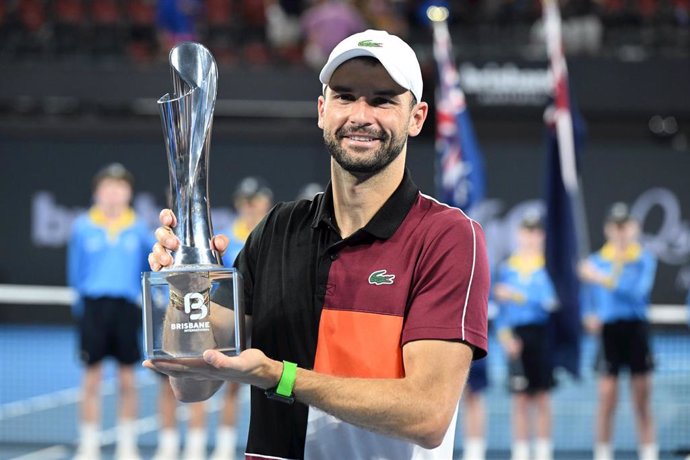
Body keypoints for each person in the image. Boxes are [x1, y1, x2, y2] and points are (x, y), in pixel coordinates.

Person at [147, 29, 490, 460]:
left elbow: (428, 415)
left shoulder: (445, 236)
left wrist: (281, 377)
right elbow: (192, 384)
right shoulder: (277, 230)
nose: (360, 115)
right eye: (345, 97)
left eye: (382, 100)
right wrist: (186, 280)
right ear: (322, 110)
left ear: (417, 118)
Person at [68, 163, 153, 460]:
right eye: (108, 187)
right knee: (91, 379)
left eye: (120, 187)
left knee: (127, 379)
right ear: (97, 193)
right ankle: (89, 443)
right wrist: (80, 305)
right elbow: (76, 271)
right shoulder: (82, 227)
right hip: (93, 307)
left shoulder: (139, 228)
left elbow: (147, 269)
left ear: (128, 193)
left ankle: (127, 443)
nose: (114, 193)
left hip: (126, 308)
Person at [579, 202, 658, 460]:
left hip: (636, 330)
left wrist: (599, 277)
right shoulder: (596, 261)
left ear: (633, 228)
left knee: (642, 400)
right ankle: (603, 454)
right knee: (606, 399)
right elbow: (587, 300)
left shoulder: (644, 258)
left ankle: (648, 454)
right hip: (609, 332)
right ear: (608, 229)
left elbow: (637, 292)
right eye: (616, 226)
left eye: (625, 226)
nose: (621, 232)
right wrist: (588, 315)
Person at [211, 177, 274, 460]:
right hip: (236, 322)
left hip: (270, 320)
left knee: (275, 384)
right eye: (246, 202)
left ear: (266, 203)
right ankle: (224, 449)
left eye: (256, 201)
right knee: (231, 384)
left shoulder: (275, 235)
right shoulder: (225, 239)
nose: (250, 207)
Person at [493, 211, 557, 460]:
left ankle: (543, 453)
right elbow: (501, 311)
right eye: (526, 232)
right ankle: (520, 453)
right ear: (519, 235)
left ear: (541, 236)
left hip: (540, 337)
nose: (531, 237)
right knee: (519, 400)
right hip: (516, 338)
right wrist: (505, 337)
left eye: (535, 232)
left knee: (542, 396)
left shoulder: (549, 267)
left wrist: (516, 295)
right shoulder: (508, 268)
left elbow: (549, 302)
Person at [460, 359, 489, 460]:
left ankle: (476, 449)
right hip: (458, 351)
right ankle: (471, 448)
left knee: (474, 398)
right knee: (468, 400)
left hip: (474, 352)